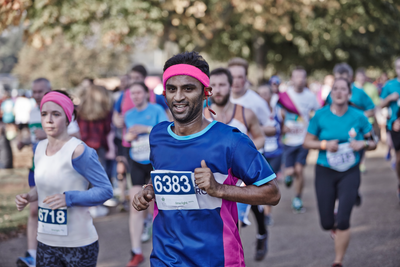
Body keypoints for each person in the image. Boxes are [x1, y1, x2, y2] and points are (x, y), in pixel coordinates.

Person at [132, 51, 280, 266]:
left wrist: (220, 189)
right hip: (166, 257)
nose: (179, 97)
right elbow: (167, 178)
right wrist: (149, 190)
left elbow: (272, 193)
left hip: (216, 257)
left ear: (205, 93)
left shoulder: (230, 140)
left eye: (188, 88)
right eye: (172, 89)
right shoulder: (158, 136)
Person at [15, 90, 113, 267]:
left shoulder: (79, 151)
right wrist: (29, 197)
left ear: (68, 118)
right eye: (44, 114)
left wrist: (69, 198)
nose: (49, 120)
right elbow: (45, 187)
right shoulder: (39, 148)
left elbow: (105, 190)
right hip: (45, 242)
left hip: (79, 244)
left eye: (56, 114)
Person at [303, 78, 377, 267]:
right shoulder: (320, 116)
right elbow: (307, 142)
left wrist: (364, 144)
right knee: (327, 223)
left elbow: (373, 141)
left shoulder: (359, 116)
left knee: (343, 220)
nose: (338, 92)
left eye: (343, 89)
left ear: (349, 94)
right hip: (325, 170)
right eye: (335, 89)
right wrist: (325, 144)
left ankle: (338, 261)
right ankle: (333, 221)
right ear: (330, 93)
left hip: (350, 171)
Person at [16, 78, 81, 267]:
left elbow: (77, 137)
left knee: (58, 210)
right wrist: (25, 142)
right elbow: (37, 141)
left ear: (49, 90)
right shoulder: (32, 112)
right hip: (38, 167)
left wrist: (48, 135)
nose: (36, 95)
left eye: (40, 91)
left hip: (62, 168)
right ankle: (32, 254)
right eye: (34, 91)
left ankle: (64, 252)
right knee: (34, 209)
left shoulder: (61, 110)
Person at [207, 67, 268, 261]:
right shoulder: (202, 116)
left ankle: (235, 256)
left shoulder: (246, 113)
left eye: (222, 85)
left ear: (230, 86)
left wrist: (242, 153)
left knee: (235, 222)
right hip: (215, 178)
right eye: (213, 85)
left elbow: (260, 139)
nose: (217, 90)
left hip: (240, 176)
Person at [227, 58, 276, 257]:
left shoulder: (255, 102)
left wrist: (249, 134)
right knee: (241, 205)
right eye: (233, 77)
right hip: (225, 165)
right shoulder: (215, 101)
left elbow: (272, 129)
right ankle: (258, 235)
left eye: (240, 77)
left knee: (245, 206)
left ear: (246, 78)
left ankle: (256, 238)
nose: (236, 81)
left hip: (250, 162)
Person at [124, 82, 168, 267]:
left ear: (146, 93)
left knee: (155, 207)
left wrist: (145, 129)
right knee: (135, 204)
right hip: (136, 161)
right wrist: (128, 138)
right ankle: (136, 251)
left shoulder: (157, 109)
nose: (135, 96)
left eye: (138, 92)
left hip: (154, 161)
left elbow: (166, 132)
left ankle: (160, 250)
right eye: (132, 93)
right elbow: (125, 139)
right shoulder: (128, 115)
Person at [279, 67, 320, 212]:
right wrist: (282, 127)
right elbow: (276, 116)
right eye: (297, 77)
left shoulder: (310, 96)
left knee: (299, 169)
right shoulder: (284, 96)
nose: (300, 80)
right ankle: (288, 176)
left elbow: (319, 113)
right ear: (292, 78)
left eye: (303, 77)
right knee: (290, 172)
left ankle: (297, 198)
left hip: (304, 140)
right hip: (289, 140)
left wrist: (314, 131)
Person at [258, 83, 284, 226]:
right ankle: (263, 211)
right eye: (260, 94)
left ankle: (267, 214)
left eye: (265, 93)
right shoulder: (253, 111)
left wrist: (260, 129)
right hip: (260, 152)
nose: (262, 96)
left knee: (268, 183)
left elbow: (277, 130)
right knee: (260, 184)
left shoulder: (277, 111)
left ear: (270, 95)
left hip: (275, 152)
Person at [380, 57, 400, 201]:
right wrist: (389, 98)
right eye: (399, 67)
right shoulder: (390, 85)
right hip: (396, 126)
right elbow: (380, 104)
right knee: (399, 159)